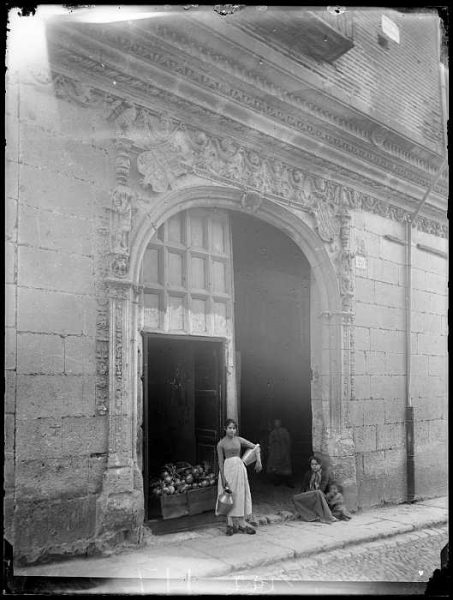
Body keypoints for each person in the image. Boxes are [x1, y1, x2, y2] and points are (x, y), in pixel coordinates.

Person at [216, 418, 263, 536]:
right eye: (230, 428)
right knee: (229, 494)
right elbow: (220, 462)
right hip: (228, 469)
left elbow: (256, 447)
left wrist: (259, 461)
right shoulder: (221, 443)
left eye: (234, 428)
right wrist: (223, 478)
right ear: (225, 429)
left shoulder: (239, 440)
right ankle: (230, 524)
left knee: (241, 494)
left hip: (239, 469)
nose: (232, 430)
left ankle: (242, 523)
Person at [292, 455, 337, 524]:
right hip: (312, 495)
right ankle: (311, 516)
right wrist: (302, 496)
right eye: (312, 464)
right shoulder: (308, 474)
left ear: (320, 464)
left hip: (323, 496)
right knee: (295, 498)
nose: (314, 466)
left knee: (318, 492)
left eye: (316, 464)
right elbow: (303, 487)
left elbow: (322, 489)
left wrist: (312, 494)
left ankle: (328, 517)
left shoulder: (325, 474)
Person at [266, 418, 294, 487]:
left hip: (284, 451)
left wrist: (288, 449)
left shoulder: (285, 431)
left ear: (281, 423)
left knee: (286, 468)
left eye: (278, 422)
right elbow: (270, 442)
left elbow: (288, 440)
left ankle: (288, 482)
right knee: (276, 468)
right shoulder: (272, 432)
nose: (277, 424)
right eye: (275, 422)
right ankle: (278, 481)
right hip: (276, 452)